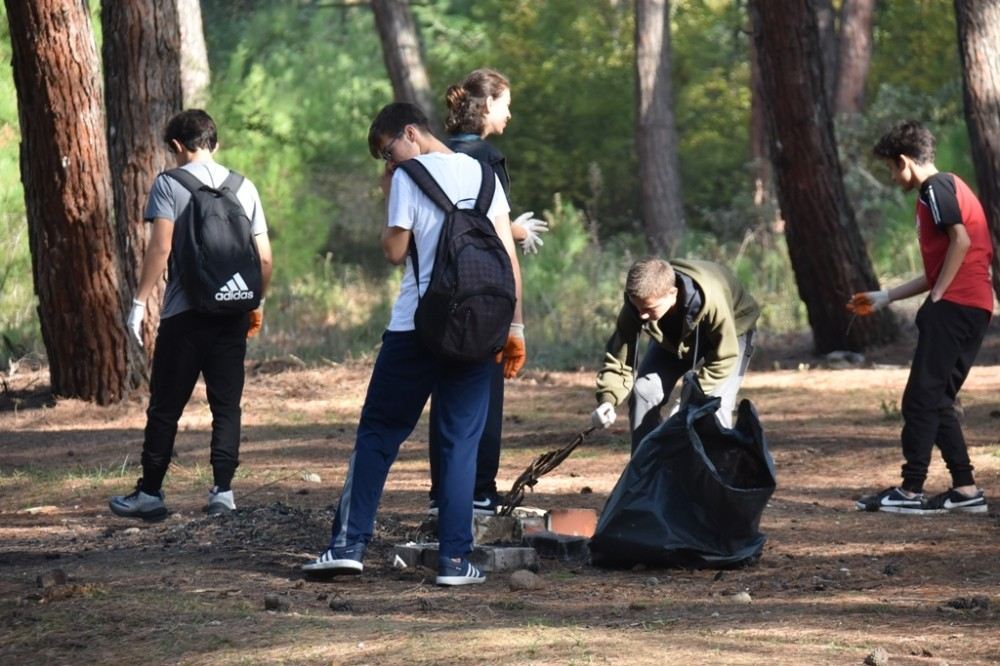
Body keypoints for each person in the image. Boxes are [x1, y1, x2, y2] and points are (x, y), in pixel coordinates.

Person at [303, 103, 525, 586]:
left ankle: (346, 546)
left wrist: (392, 192)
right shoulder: (484, 174)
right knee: (459, 444)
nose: (389, 163)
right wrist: (515, 328)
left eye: (388, 151)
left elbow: (393, 251)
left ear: (410, 132)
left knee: (379, 433)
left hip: (415, 330)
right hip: (477, 329)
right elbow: (508, 257)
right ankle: (454, 561)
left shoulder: (407, 176)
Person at [109, 109, 273, 519]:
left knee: (166, 404)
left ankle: (150, 493)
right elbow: (265, 258)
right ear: (214, 142)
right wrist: (255, 302)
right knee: (227, 404)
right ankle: (223, 492)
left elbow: (160, 248)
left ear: (178, 146)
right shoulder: (244, 186)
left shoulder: (169, 184)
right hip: (233, 311)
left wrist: (139, 300)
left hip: (185, 314)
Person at [853, 120, 993, 515]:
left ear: (904, 161)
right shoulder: (948, 188)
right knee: (938, 399)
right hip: (972, 305)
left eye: (890, 169)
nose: (892, 178)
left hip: (955, 307)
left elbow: (961, 242)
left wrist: (938, 296)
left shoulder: (935, 187)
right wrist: (886, 296)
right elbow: (947, 259)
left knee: (919, 399)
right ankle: (966, 491)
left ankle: (910, 491)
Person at [425, 68, 547, 516]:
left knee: (445, 395)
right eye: (506, 103)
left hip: (437, 295)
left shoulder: (434, 158)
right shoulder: (486, 158)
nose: (510, 113)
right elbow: (486, 231)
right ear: (488, 105)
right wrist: (516, 322)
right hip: (482, 296)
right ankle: (478, 491)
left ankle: (443, 493)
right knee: (484, 397)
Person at [590, 258, 760, 453]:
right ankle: (646, 472)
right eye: (638, 308)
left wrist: (686, 402)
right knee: (644, 392)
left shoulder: (712, 300)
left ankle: (715, 474)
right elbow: (619, 358)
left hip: (733, 329)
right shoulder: (638, 305)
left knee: (714, 405)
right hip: (675, 337)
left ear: (673, 294)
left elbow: (724, 358)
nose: (642, 315)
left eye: (648, 309)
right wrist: (607, 401)